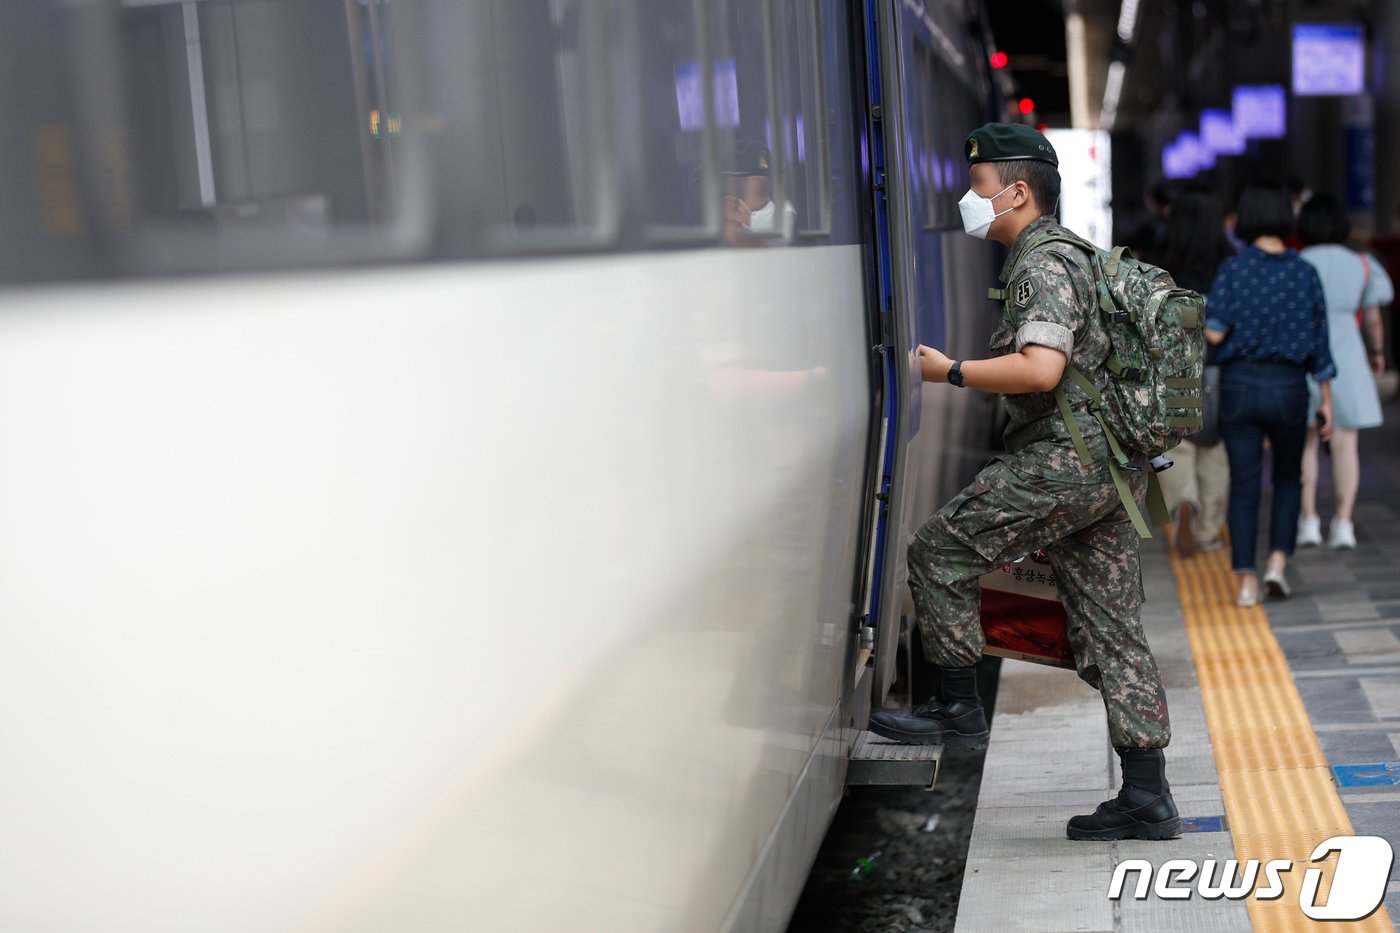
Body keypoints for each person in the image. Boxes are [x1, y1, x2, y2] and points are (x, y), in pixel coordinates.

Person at [869, 123, 1179, 843]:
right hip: (1108, 466)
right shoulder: (1072, 254)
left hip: (1065, 462)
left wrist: (948, 371)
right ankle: (1147, 794)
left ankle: (956, 706)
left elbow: (1042, 370)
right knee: (1111, 627)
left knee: (939, 551)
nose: (968, 197)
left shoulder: (1042, 263)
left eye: (978, 185)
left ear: (1015, 192)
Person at [1205, 183, 1335, 607]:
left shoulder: (1234, 269)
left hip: (1240, 385)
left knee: (1244, 484)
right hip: (1289, 387)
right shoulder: (1304, 272)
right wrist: (1328, 402)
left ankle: (1247, 581)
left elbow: (1215, 333)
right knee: (1287, 478)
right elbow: (1320, 344)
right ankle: (1278, 563)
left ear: (1246, 217)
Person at [1295, 193, 1393, 550]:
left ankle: (1308, 521)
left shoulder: (1297, 263)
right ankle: (1343, 524)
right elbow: (1373, 317)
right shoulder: (1362, 264)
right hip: (1348, 358)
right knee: (1346, 445)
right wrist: (1377, 353)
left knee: (1305, 444)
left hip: (1306, 356)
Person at [1145, 188, 1235, 555]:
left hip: (1171, 370)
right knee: (1214, 448)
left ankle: (1183, 500)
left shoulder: (1158, 266)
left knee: (1176, 445)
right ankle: (1207, 530)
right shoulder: (1230, 265)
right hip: (1216, 372)